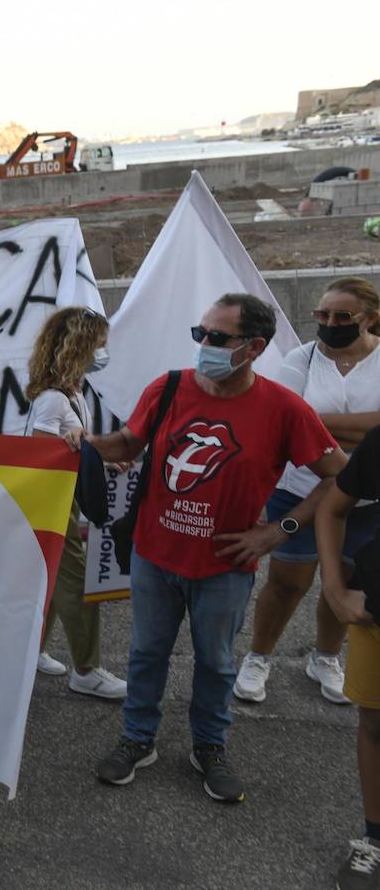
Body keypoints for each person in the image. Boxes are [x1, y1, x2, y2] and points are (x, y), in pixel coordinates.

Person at [75, 293, 344, 802]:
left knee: (217, 662)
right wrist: (76, 443)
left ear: (255, 347)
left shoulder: (284, 408)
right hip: (155, 556)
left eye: (218, 338)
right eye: (200, 335)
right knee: (146, 653)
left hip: (224, 567)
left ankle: (208, 746)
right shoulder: (169, 387)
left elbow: (338, 479)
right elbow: (128, 445)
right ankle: (137, 739)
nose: (205, 347)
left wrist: (277, 531)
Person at [236, 277, 380, 706]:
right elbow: (286, 423)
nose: (329, 323)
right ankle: (258, 656)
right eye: (322, 315)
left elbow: (303, 421)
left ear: (370, 318)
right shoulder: (301, 358)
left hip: (368, 500)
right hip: (299, 489)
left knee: (350, 579)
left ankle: (326, 657)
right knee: (287, 581)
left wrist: (314, 423)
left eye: (341, 316)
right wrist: (364, 432)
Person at [24, 307, 126, 699]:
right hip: (52, 503)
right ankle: (86, 669)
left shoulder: (72, 392)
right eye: (99, 345)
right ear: (80, 347)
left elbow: (74, 445)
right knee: (79, 582)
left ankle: (31, 650)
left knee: (51, 579)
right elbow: (39, 451)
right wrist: (65, 447)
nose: (103, 352)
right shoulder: (53, 398)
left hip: (58, 499)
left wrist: (103, 460)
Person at [317, 427, 380, 889]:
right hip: (374, 615)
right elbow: (333, 506)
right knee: (376, 724)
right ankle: (374, 839)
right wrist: (335, 590)